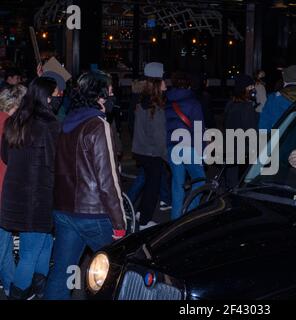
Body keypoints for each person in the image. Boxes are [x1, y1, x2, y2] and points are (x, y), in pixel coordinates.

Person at [45, 71, 126, 300]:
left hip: (64, 210)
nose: (112, 95)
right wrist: (120, 224)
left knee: (61, 273)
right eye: (109, 91)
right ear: (99, 95)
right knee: (117, 275)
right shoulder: (98, 125)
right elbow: (108, 180)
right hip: (94, 214)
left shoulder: (65, 122)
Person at [0, 77, 60, 299]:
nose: (57, 100)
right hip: (38, 197)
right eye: (55, 96)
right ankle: (18, 294)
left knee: (44, 243)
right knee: (31, 253)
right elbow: (55, 163)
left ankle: (37, 288)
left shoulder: (14, 122)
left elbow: (5, 156)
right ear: (46, 97)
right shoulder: (49, 125)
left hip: (14, 195)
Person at [165, 71, 206, 221]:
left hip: (172, 146)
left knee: (178, 185)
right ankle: (189, 213)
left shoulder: (167, 101)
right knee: (200, 181)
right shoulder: (193, 102)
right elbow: (198, 129)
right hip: (188, 146)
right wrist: (203, 152)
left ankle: (175, 220)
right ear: (189, 84)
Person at [132, 62, 167, 229]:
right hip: (153, 153)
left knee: (146, 182)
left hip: (140, 150)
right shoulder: (156, 108)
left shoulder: (141, 101)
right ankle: (145, 222)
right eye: (163, 79)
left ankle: (140, 212)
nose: (166, 83)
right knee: (153, 187)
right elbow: (159, 138)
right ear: (157, 83)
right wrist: (167, 157)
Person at [0, 84, 27, 297]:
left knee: (6, 244)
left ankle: (10, 287)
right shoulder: (10, 126)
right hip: (4, 195)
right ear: (16, 105)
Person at [224, 74, 259, 187]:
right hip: (243, 151)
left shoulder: (230, 104)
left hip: (230, 147)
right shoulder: (246, 108)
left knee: (230, 181)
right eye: (250, 87)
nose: (253, 89)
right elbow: (251, 132)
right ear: (243, 89)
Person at [259, 65, 296, 131]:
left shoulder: (274, 99)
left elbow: (263, 124)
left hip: (278, 138)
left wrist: (263, 140)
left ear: (284, 79)